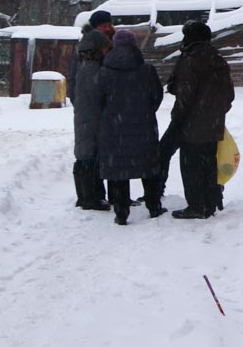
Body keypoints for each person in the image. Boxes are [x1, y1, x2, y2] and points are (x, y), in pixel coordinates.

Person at [89, 28, 168, 225]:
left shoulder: (104, 72)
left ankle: (121, 213)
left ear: (114, 45)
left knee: (118, 172)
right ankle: (154, 206)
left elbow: (97, 101)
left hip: (114, 129)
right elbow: (157, 96)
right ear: (134, 46)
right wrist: (145, 112)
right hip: (144, 127)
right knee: (149, 168)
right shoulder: (147, 70)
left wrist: (111, 115)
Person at [163, 20, 234, 220]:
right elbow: (229, 96)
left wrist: (179, 119)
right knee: (209, 164)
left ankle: (196, 205)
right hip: (212, 124)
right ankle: (210, 202)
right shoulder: (218, 59)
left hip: (191, 125)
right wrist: (216, 113)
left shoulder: (191, 59)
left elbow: (185, 94)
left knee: (191, 166)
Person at [67, 10, 114, 211]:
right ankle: (88, 197)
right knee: (88, 150)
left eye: (110, 24)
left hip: (90, 110)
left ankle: (95, 195)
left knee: (93, 150)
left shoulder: (90, 50)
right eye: (105, 25)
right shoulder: (89, 55)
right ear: (97, 28)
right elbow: (83, 83)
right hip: (90, 111)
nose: (109, 28)